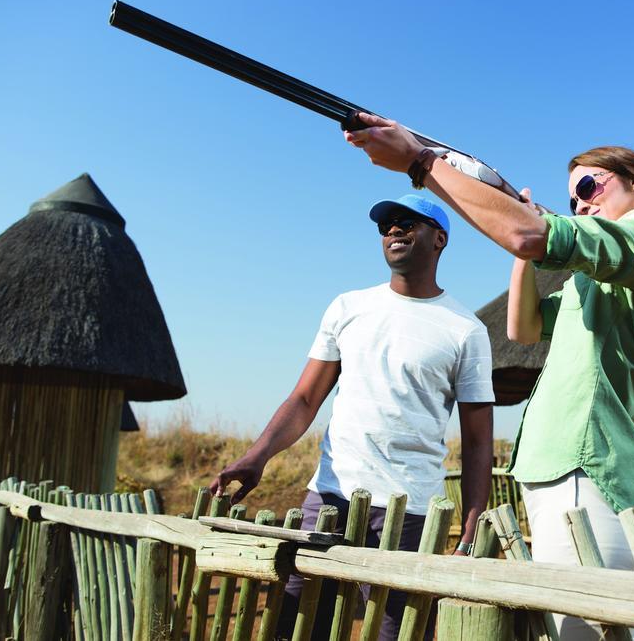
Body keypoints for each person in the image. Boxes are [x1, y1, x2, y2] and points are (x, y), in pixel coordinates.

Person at [345, 117, 634, 639]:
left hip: (587, 468)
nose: (581, 205)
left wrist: (421, 162)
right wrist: (524, 247)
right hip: (565, 468)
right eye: (572, 202)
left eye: (589, 187)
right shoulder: (602, 280)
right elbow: (523, 325)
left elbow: (527, 234)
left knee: (575, 632)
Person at [210, 194, 494, 640]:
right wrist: (257, 456)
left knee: (397, 633)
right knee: (297, 626)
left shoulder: (465, 330)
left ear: (440, 238)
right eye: (386, 226)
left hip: (409, 511)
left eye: (408, 223)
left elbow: (478, 440)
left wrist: (474, 518)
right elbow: (305, 399)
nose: (393, 230)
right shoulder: (348, 307)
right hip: (328, 499)